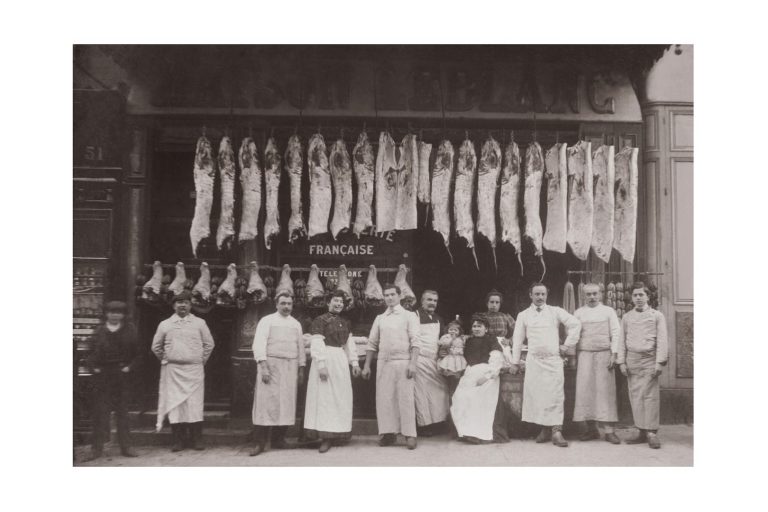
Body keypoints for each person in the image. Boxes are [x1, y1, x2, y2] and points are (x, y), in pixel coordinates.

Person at [510, 282, 581, 447]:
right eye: (537, 294)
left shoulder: (555, 311)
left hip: (553, 361)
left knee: (555, 396)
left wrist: (567, 344)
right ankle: (544, 429)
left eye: (543, 294)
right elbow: (517, 340)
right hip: (534, 362)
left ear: (547, 295)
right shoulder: (524, 315)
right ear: (531, 295)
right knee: (539, 397)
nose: (540, 297)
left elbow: (575, 324)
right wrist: (514, 362)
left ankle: (557, 431)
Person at [152, 291, 215, 451]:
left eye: (186, 302)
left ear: (190, 305)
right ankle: (178, 441)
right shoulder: (165, 324)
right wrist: (168, 359)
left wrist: (199, 360)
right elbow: (156, 347)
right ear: (173, 305)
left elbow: (209, 344)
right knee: (176, 405)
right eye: (179, 302)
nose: (182, 305)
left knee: (194, 405)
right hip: (173, 371)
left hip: (194, 370)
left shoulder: (200, 323)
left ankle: (196, 440)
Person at [362, 284, 421, 450]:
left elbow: (416, 341)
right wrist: (366, 365)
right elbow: (372, 343)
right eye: (386, 295)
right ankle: (388, 434)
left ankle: (410, 434)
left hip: (403, 362)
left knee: (406, 399)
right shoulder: (380, 318)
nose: (389, 298)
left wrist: (413, 363)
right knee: (384, 399)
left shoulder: (410, 316)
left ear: (399, 295)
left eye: (392, 295)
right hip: (384, 362)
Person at [304, 290, 361, 453]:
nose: (338, 304)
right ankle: (324, 437)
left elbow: (349, 344)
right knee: (325, 398)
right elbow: (316, 343)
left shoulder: (345, 322)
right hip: (325, 360)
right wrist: (321, 365)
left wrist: (354, 363)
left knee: (340, 398)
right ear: (328, 302)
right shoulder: (320, 320)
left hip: (340, 361)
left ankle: (337, 433)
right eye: (335, 301)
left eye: (341, 302)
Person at [250, 290, 306, 456]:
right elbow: (259, 344)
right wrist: (264, 366)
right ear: (276, 304)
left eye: (289, 304)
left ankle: (278, 439)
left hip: (290, 368)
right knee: (265, 404)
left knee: (286, 403)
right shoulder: (267, 321)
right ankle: (260, 443)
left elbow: (300, 348)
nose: (286, 306)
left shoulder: (296, 324)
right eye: (283, 303)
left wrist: (301, 368)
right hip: (271, 366)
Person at [86, 300, 141, 460]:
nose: (115, 315)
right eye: (111, 312)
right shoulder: (99, 332)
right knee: (100, 413)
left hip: (121, 375)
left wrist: (129, 367)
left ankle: (127, 447)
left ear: (123, 315)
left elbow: (138, 354)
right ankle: (96, 448)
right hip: (103, 376)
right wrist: (93, 367)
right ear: (106, 314)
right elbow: (89, 353)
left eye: (118, 312)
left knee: (122, 413)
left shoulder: (130, 331)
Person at [617, 282, 669, 449]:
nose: (638, 298)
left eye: (641, 295)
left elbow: (662, 340)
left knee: (650, 397)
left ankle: (652, 432)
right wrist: (622, 362)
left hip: (649, 360)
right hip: (632, 361)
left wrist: (660, 362)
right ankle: (641, 430)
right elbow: (621, 341)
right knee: (636, 397)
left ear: (648, 296)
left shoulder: (657, 316)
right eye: (635, 295)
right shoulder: (626, 317)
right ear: (631, 298)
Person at [573, 284, 622, 444]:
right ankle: (591, 429)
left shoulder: (609, 311)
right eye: (588, 294)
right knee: (585, 391)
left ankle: (609, 431)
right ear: (584, 296)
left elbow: (616, 332)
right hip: (585, 354)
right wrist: (573, 356)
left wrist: (614, 354)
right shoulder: (578, 313)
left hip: (604, 354)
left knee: (605, 392)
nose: (592, 297)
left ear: (600, 294)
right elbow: (573, 335)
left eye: (594, 293)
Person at [450, 315, 505, 444]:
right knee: (460, 397)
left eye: (479, 326)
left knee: (479, 398)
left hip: (488, 374)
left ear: (486, 328)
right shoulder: (468, 341)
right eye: (474, 326)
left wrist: (486, 377)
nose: (476, 329)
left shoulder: (491, 340)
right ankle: (465, 432)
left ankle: (479, 434)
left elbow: (497, 360)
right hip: (470, 372)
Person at [477, 290, 516, 443]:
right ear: (487, 303)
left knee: (503, 372)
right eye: (491, 302)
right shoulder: (482, 317)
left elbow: (520, 331)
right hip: (486, 345)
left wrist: (510, 340)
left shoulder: (506, 317)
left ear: (500, 304)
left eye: (497, 302)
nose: (494, 305)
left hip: (502, 345)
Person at [413, 290, 450, 437]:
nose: (432, 303)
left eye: (435, 300)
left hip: (434, 360)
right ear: (422, 301)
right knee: (422, 394)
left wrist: (442, 350)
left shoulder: (439, 319)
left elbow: (442, 339)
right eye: (429, 300)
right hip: (419, 359)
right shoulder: (414, 316)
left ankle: (438, 424)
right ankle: (424, 426)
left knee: (441, 391)